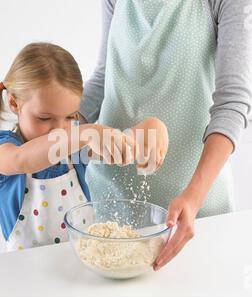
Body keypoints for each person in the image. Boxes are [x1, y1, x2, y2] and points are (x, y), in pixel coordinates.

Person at [79, 0, 252, 270]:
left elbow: (233, 102)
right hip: (109, 205)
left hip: (194, 212)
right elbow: (103, 78)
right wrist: (64, 129)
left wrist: (193, 196)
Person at [0, 42, 169, 251]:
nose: (60, 129)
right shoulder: (3, 148)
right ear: (14, 104)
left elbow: (120, 145)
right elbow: (23, 160)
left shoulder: (75, 148)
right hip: (27, 274)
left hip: (80, 263)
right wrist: (82, 132)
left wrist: (151, 129)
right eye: (45, 118)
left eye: (70, 116)